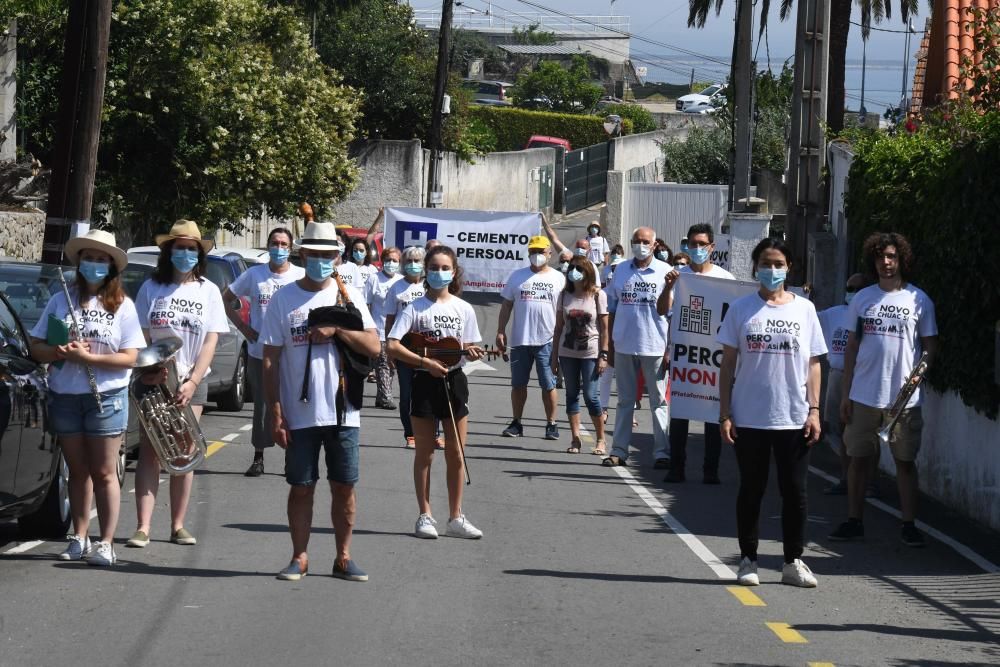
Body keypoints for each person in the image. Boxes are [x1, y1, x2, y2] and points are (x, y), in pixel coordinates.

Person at [261, 220, 380, 581]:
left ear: (336, 257)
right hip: (299, 414)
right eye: (314, 254)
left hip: (344, 411)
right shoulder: (284, 298)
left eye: (328, 255)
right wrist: (275, 412)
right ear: (304, 255)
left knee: (344, 486)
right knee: (301, 486)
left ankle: (343, 557)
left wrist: (338, 330)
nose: (321, 260)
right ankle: (299, 557)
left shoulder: (348, 296)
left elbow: (374, 346)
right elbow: (270, 358)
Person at [30, 230, 145, 566]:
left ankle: (106, 542)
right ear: (79, 262)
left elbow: (130, 357)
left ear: (111, 266)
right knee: (77, 471)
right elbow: (37, 348)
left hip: (106, 397)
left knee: (105, 471)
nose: (93, 264)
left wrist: (91, 360)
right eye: (88, 258)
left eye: (101, 259)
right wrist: (58, 351)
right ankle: (79, 536)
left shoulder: (123, 305)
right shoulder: (60, 299)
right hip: (65, 395)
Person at [717, 237, 827, 588]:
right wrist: (725, 413)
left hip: (793, 417)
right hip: (750, 416)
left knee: (795, 492)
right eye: (766, 263)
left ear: (789, 267)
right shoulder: (741, 309)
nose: (773, 270)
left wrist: (814, 410)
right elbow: (728, 365)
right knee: (751, 489)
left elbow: (813, 364)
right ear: (756, 267)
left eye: (779, 264)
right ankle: (748, 559)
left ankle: (793, 561)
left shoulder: (804, 310)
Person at [829, 232, 937, 548]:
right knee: (858, 459)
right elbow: (852, 346)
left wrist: (920, 374)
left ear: (901, 259)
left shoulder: (918, 300)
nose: (886, 263)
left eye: (891, 256)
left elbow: (930, 346)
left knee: (904, 461)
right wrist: (846, 394)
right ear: (873, 260)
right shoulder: (863, 300)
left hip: (903, 400)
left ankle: (908, 524)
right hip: (863, 395)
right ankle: (854, 520)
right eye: (880, 257)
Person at [130, 220, 229, 549]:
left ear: (198, 254)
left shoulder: (208, 290)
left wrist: (193, 380)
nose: (185, 253)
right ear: (168, 251)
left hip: (190, 379)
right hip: (154, 378)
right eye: (179, 247)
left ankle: (177, 525)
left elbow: (210, 341)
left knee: (184, 452)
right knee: (151, 453)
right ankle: (143, 527)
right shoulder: (150, 288)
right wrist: (151, 370)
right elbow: (141, 335)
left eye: (191, 249)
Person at [387, 245, 485, 539]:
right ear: (425, 271)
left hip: (454, 382)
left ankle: (456, 517)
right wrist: (423, 362)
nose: (439, 272)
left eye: (445, 268)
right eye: (434, 267)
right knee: (425, 454)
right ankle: (425, 515)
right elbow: (392, 345)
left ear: (454, 272)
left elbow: (466, 349)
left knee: (456, 452)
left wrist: (473, 353)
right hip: (424, 382)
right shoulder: (414, 307)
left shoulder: (463, 308)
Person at [224, 227, 305, 477]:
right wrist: (244, 330)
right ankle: (258, 456)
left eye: (283, 244)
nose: (279, 248)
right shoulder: (255, 275)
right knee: (263, 406)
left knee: (293, 404)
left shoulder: (300, 275)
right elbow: (225, 299)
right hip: (261, 352)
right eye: (274, 243)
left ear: (290, 248)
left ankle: (294, 456)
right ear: (268, 246)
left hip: (293, 353)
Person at [661, 223, 736, 480]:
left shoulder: (725, 280)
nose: (696, 248)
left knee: (713, 412)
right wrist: (667, 287)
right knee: (680, 409)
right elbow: (662, 311)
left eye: (702, 244)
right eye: (692, 244)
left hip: (714, 357)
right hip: (685, 354)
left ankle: (710, 469)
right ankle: (677, 466)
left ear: (711, 247)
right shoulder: (678, 276)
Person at [601, 226, 671, 467]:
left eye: (645, 241)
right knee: (624, 400)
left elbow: (670, 314)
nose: (640, 245)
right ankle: (619, 451)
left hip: (654, 346)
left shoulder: (666, 272)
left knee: (658, 401)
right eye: (636, 241)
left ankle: (662, 452)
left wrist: (669, 348)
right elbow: (611, 309)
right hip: (624, 344)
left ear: (654, 245)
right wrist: (609, 345)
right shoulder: (620, 270)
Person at [496, 235, 566, 440]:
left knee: (548, 384)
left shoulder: (558, 278)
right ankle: (516, 422)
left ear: (549, 254)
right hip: (520, 340)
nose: (537, 256)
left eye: (541, 252)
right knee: (518, 384)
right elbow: (507, 305)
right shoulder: (517, 276)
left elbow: (565, 309)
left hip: (548, 341)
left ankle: (551, 424)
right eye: (533, 252)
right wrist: (501, 330)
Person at [551, 256, 608, 454]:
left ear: (588, 272)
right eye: (571, 268)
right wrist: (554, 358)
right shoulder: (564, 295)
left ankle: (601, 438)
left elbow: (604, 328)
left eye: (578, 268)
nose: (574, 271)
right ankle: (575, 439)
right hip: (567, 352)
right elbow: (558, 328)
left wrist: (604, 354)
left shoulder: (598, 295)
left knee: (591, 396)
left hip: (591, 353)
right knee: (571, 394)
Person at [817, 272, 867, 494]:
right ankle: (846, 478)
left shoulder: (871, 315)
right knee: (836, 429)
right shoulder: (833, 314)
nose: (852, 293)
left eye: (857, 289)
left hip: (863, 377)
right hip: (838, 374)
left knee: (863, 432)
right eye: (849, 288)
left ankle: (867, 482)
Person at [384, 246, 428, 448]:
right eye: (409, 261)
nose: (413, 265)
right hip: (404, 349)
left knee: (430, 393)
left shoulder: (430, 287)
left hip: (428, 348)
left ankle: (432, 433)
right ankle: (410, 434)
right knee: (406, 396)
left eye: (417, 261)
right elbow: (390, 320)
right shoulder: (396, 287)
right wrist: (390, 350)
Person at [367, 246, 404, 410]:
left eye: (394, 261)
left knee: (392, 365)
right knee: (383, 363)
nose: (391, 263)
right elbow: (366, 304)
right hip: (378, 330)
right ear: (382, 261)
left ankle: (380, 396)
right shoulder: (373, 279)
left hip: (397, 332)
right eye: (388, 260)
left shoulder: (402, 281)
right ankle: (386, 397)